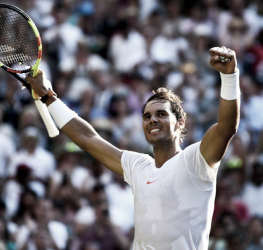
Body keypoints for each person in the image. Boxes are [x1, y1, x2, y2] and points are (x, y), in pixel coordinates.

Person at [26, 46, 240, 249]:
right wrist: (48, 96)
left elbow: (226, 128)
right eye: (147, 116)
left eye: (161, 114)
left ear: (181, 122)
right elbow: (87, 138)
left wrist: (229, 77)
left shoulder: (196, 160)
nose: (152, 120)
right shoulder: (138, 165)